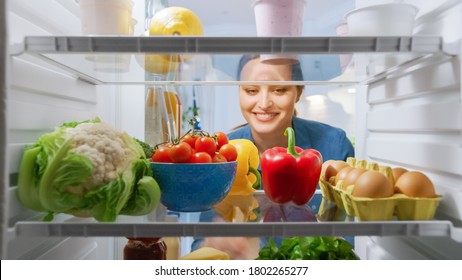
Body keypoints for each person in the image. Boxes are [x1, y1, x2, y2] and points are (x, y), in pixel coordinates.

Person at [193, 55, 355, 259]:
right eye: (251, 90)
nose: (264, 103)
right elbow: (200, 247)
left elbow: (347, 242)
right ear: (239, 92)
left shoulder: (335, 145)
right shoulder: (222, 153)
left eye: (279, 89)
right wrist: (213, 243)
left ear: (298, 92)